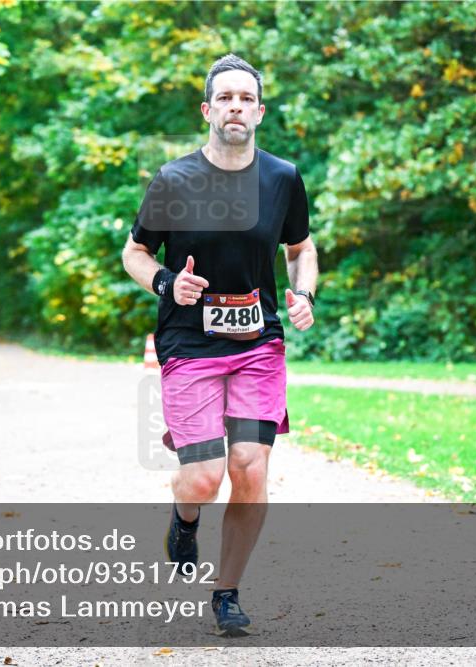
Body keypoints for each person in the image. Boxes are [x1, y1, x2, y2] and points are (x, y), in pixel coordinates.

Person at [121, 54, 318, 636]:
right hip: (190, 341)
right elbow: (136, 252)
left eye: (246, 98)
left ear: (260, 111)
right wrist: (165, 283)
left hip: (259, 343)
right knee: (204, 477)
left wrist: (304, 293)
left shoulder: (282, 178)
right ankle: (184, 518)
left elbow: (301, 248)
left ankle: (226, 592)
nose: (236, 107)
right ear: (208, 110)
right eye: (224, 97)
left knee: (250, 465)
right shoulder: (174, 180)